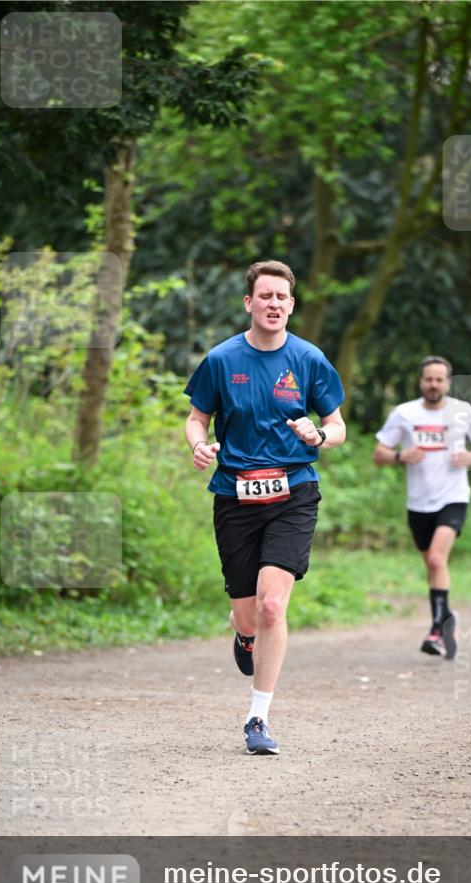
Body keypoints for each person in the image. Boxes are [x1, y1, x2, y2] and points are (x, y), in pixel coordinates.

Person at [184, 260, 345, 755]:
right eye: (266, 296)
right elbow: (197, 418)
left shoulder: (310, 360)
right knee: (247, 615)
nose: (274, 304)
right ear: (249, 303)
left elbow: (337, 428)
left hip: (294, 492)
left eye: (283, 297)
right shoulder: (220, 359)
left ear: (291, 306)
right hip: (235, 494)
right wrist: (199, 445)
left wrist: (317, 434)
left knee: (273, 605)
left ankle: (257, 718)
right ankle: (245, 637)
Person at [373, 356, 471, 659]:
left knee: (436, 560)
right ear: (421, 381)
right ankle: (446, 619)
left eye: (439, 380)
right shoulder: (404, 413)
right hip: (418, 503)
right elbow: (380, 454)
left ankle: (437, 631)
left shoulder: (462, 412)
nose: (433, 384)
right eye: (429, 379)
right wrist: (401, 457)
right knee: (432, 564)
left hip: (453, 497)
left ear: (448, 383)